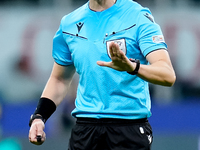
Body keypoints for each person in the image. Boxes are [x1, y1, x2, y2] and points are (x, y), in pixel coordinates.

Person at [28, 0, 176, 149]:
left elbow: (167, 74)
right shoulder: (69, 23)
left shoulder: (138, 16)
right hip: (85, 130)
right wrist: (39, 117)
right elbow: (59, 79)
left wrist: (132, 67)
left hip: (128, 128)